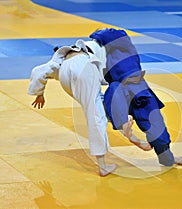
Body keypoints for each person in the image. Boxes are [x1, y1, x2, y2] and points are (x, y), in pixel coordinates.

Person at [89, 28, 182, 166]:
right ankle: (130, 134)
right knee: (111, 96)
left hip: (138, 88)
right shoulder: (101, 56)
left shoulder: (122, 41)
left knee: (156, 125)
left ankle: (167, 158)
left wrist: (94, 37)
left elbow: (109, 34)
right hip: (118, 90)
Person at [28, 39, 117, 176]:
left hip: (65, 74)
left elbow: (37, 71)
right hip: (84, 67)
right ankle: (103, 166)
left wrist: (39, 93)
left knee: (95, 106)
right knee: (95, 111)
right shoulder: (102, 47)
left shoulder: (61, 57)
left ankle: (114, 119)